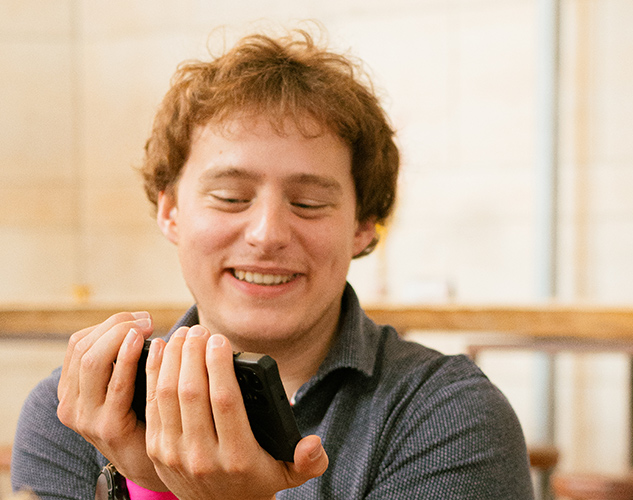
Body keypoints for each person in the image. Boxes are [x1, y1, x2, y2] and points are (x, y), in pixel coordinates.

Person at [11, 28, 533, 500]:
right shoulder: (79, 417)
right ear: (170, 211)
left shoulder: (447, 417)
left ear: (363, 225)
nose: (267, 235)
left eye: (308, 203)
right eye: (230, 197)